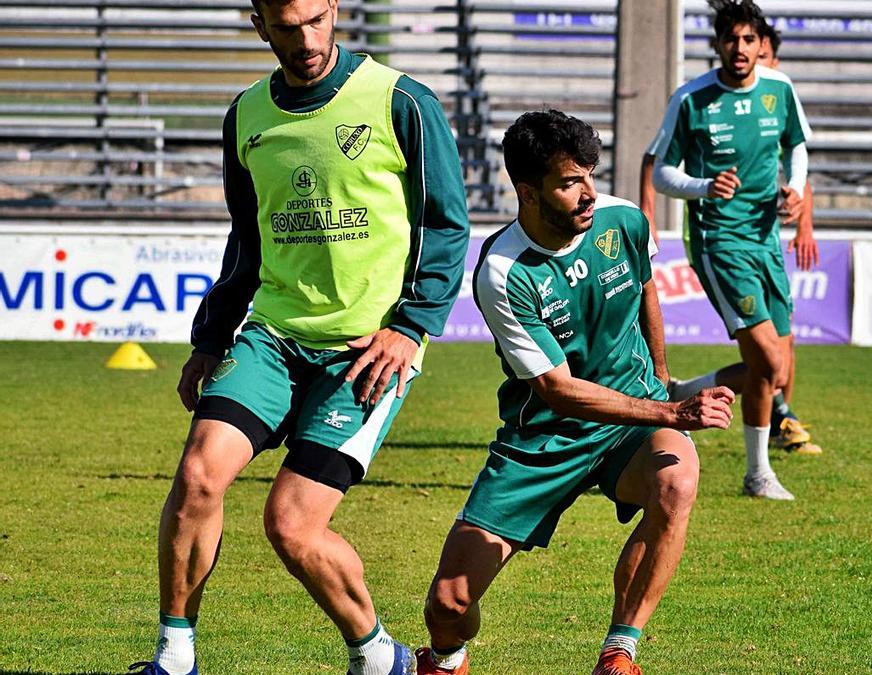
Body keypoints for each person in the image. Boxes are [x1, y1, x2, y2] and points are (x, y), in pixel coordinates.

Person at [129, 0, 469, 672]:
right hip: (273, 338)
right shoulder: (247, 114)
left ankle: (377, 654)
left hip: (365, 351)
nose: (307, 39)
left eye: (317, 19)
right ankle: (174, 655)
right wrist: (211, 335)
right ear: (259, 23)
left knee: (291, 524)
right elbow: (246, 238)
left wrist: (411, 326)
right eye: (287, 26)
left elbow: (445, 225)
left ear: (335, 9)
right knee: (198, 475)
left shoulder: (402, 100)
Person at [414, 110, 734, 675]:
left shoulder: (623, 221)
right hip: (545, 438)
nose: (589, 193)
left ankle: (620, 651)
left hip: (631, 416)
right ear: (527, 192)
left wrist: (658, 379)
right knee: (448, 604)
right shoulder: (503, 271)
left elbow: (646, 292)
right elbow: (557, 391)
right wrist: (671, 407)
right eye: (569, 182)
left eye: (590, 174)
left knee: (676, 480)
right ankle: (445, 660)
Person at [644, 0, 819, 501]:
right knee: (765, 358)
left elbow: (797, 146)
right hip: (719, 242)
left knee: (778, 370)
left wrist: (795, 188)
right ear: (718, 43)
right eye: (731, 40)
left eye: (748, 41)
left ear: (758, 44)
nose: (739, 50)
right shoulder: (692, 99)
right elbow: (660, 171)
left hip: (767, 239)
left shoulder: (779, 90)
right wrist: (703, 187)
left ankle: (684, 395)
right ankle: (760, 473)